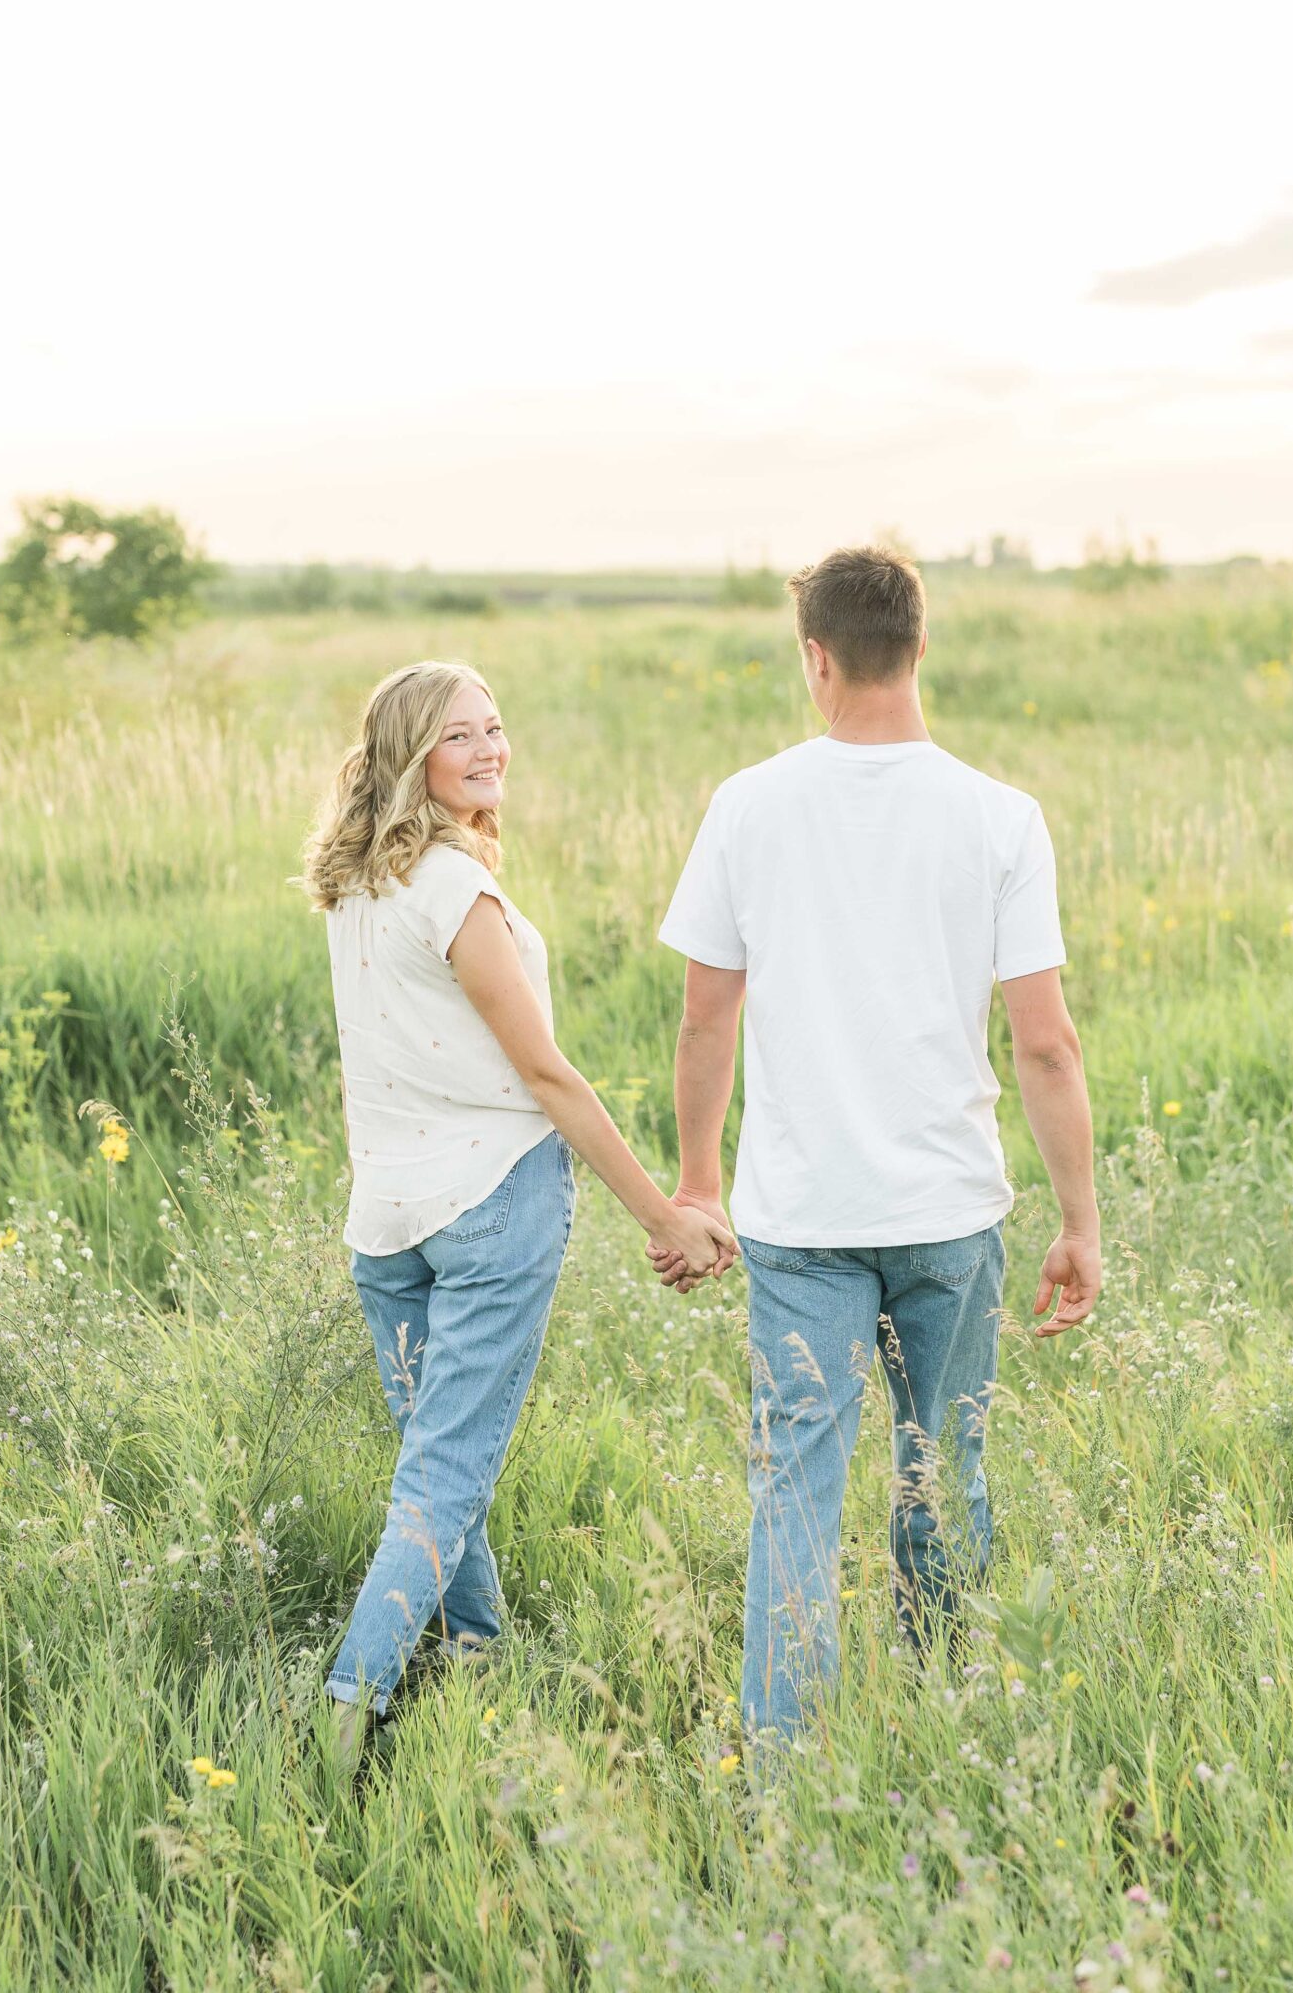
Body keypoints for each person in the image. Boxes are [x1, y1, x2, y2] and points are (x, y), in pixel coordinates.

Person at [650, 547, 1102, 1742]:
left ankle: (781, 1775)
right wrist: (1078, 1220)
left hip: (800, 1222)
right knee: (942, 1470)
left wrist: (698, 1179)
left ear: (815, 656)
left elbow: (706, 1012)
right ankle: (947, 1717)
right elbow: (1044, 1045)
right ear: (918, 644)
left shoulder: (746, 804)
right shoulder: (999, 816)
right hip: (949, 1214)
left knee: (794, 1488)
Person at [301, 659, 737, 1773]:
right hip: (490, 1207)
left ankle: (479, 1658)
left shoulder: (357, 883)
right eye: (461, 736)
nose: (492, 749)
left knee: (438, 1464)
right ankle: (347, 1716)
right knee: (445, 1475)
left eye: (496, 728)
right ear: (413, 759)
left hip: (388, 1217)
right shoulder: (452, 890)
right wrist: (662, 1215)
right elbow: (546, 1075)